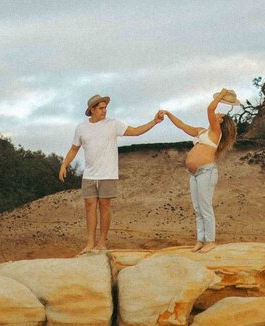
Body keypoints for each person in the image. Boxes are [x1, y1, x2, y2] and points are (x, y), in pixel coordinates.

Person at [59, 94, 163, 255]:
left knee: (105, 206)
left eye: (105, 107)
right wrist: (64, 165)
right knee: (89, 207)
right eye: (101, 108)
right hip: (89, 175)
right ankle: (90, 243)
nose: (104, 110)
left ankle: (101, 242)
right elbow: (74, 149)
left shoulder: (113, 124)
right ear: (92, 110)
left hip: (108, 174)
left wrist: (154, 122)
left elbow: (135, 131)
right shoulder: (81, 128)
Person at [160, 89, 239, 253]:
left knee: (205, 207)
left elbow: (209, 109)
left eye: (220, 114)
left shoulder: (216, 132)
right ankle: (200, 240)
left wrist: (221, 94)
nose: (216, 113)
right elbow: (182, 126)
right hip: (194, 174)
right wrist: (168, 113)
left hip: (206, 171)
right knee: (197, 209)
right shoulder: (202, 131)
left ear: (221, 123)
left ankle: (210, 241)